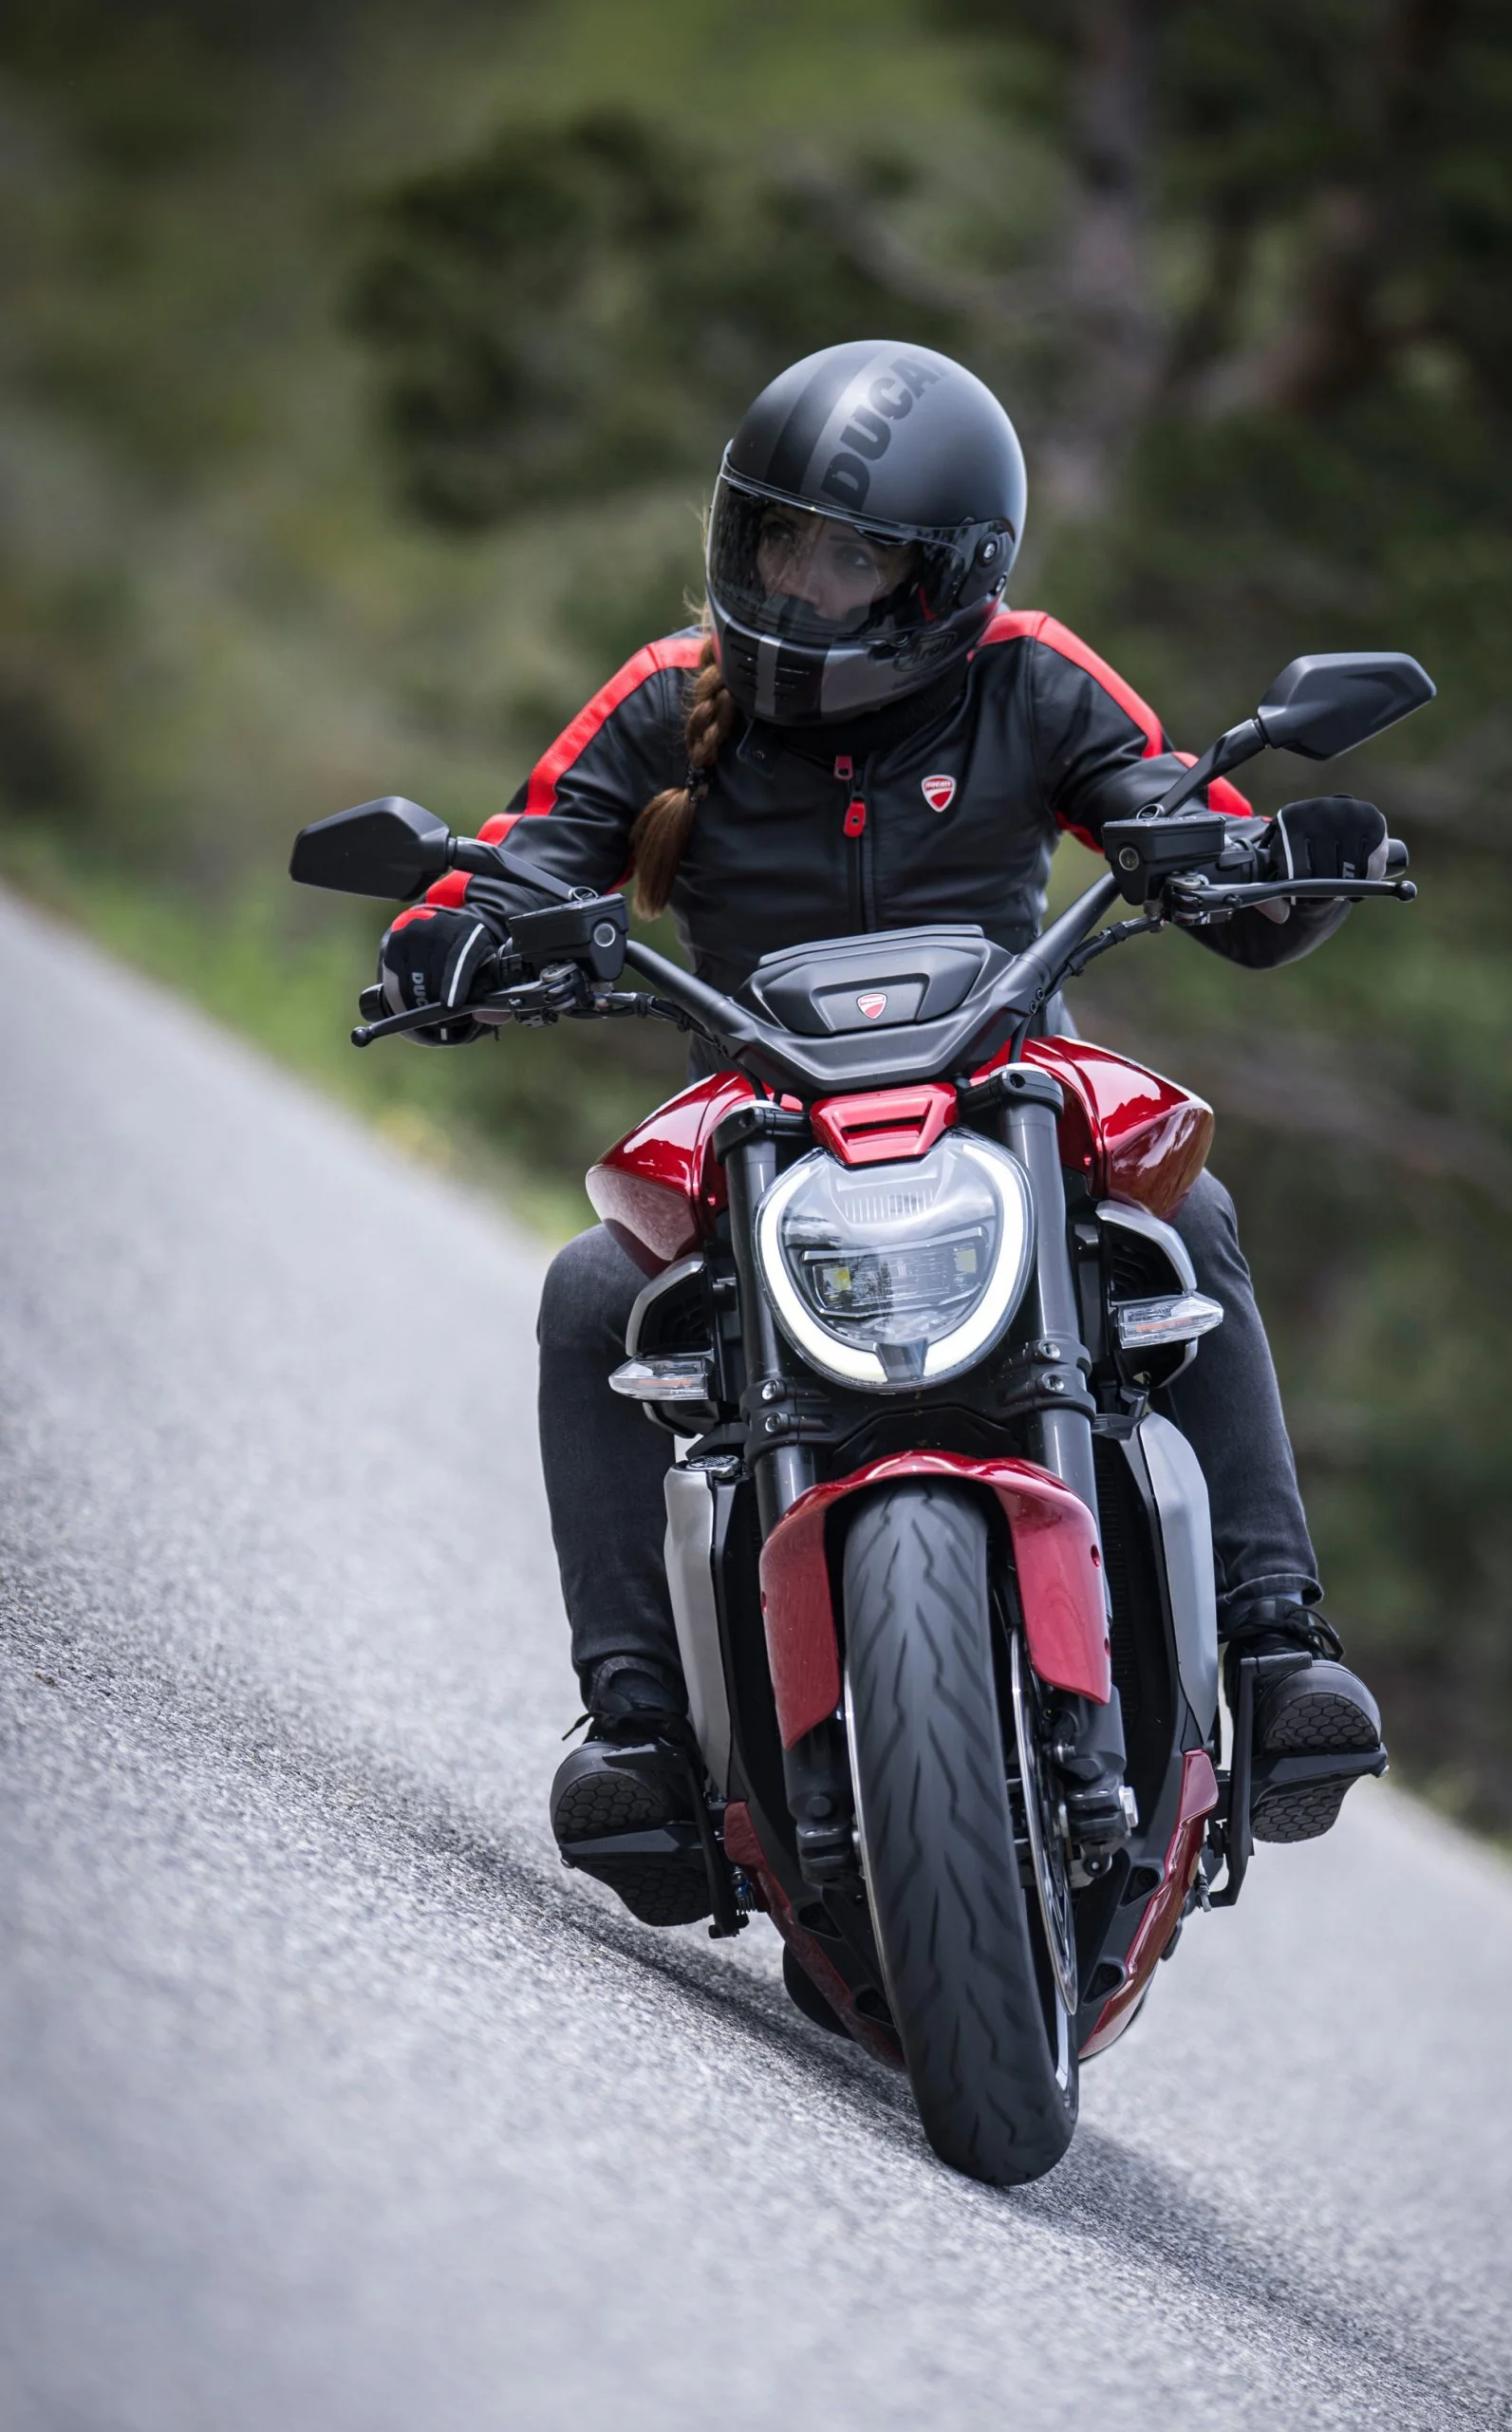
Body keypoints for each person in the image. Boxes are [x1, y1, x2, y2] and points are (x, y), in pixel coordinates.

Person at [374, 339, 1381, 1923]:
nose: (804, 585)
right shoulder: (667, 698)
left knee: (1190, 1214)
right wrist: (454, 936)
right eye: (781, 543)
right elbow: (521, 855)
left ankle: (1275, 1643)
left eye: (850, 559)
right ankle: (638, 1724)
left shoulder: (1032, 675)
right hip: (764, 1117)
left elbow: (1175, 807)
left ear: (945, 578)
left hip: (1008, 1093)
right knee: (588, 1294)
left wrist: (1274, 870)